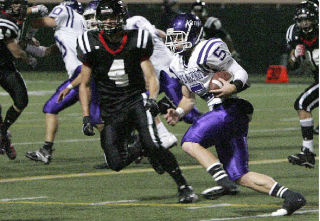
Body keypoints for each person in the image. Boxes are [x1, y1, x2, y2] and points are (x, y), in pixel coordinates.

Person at [164, 13, 306, 216]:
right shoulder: (177, 63)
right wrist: (178, 112)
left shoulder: (207, 49)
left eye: (179, 37)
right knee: (240, 175)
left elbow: (241, 74)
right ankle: (292, 197)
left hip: (231, 109)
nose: (175, 42)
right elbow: (188, 98)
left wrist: (232, 87)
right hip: (223, 115)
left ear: (193, 33)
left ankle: (223, 182)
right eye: (173, 38)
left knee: (189, 141)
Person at [77, 0, 198, 203]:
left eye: (112, 16)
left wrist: (151, 99)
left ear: (121, 17)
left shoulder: (137, 39)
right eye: (104, 17)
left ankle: (184, 186)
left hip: (135, 101)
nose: (108, 21)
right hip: (111, 108)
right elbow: (85, 84)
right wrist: (86, 116)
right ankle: (140, 145)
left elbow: (150, 77)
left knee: (155, 144)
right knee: (115, 163)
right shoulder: (89, 42)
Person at [25, 0, 103, 164]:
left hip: (82, 73)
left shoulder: (65, 11)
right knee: (52, 108)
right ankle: (46, 150)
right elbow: (45, 52)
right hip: (83, 72)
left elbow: (38, 22)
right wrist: (25, 47)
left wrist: (27, 36)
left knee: (96, 117)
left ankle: (126, 145)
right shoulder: (71, 30)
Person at [0, 0, 44, 160]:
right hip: (4, 66)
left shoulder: (10, 18)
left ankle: (2, 133)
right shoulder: (5, 21)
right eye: (16, 3)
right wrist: (29, 59)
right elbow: (16, 52)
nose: (20, 7)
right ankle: (3, 137)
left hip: (4, 66)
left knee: (21, 100)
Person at [286, 1, 318, 169]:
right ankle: (307, 153)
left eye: (308, 19)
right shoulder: (294, 34)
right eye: (301, 20)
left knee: (302, 103)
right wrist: (294, 57)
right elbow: (292, 67)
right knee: (303, 104)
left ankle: (308, 153)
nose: (305, 23)